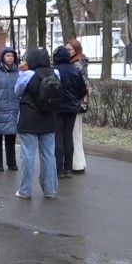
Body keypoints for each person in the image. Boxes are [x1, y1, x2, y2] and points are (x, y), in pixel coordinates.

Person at [14, 47, 59, 199]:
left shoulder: (27, 75)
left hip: (29, 119)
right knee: (49, 155)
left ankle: (25, 190)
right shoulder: (55, 73)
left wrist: (21, 72)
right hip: (49, 118)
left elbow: (17, 91)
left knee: (28, 155)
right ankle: (50, 189)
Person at [52, 46, 88, 179]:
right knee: (68, 136)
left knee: (58, 136)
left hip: (57, 107)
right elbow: (83, 90)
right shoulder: (75, 70)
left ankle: (58, 169)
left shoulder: (54, 71)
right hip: (72, 108)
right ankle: (68, 168)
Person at [66, 38, 89, 175]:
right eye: (67, 49)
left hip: (76, 103)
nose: (68, 52)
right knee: (75, 133)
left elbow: (82, 86)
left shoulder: (77, 65)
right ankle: (78, 163)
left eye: (70, 49)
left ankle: (77, 164)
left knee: (74, 133)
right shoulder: (78, 63)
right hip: (77, 102)